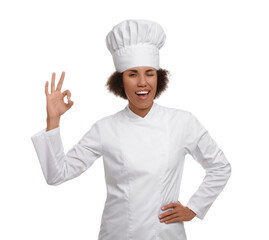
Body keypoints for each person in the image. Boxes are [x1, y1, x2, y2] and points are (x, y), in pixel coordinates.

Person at [31, 19, 232, 240]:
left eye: (150, 73)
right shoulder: (105, 128)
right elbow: (57, 174)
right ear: (121, 81)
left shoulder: (182, 122)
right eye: (133, 74)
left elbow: (220, 167)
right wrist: (53, 119)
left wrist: (194, 208)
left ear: (159, 77)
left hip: (166, 235)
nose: (143, 83)